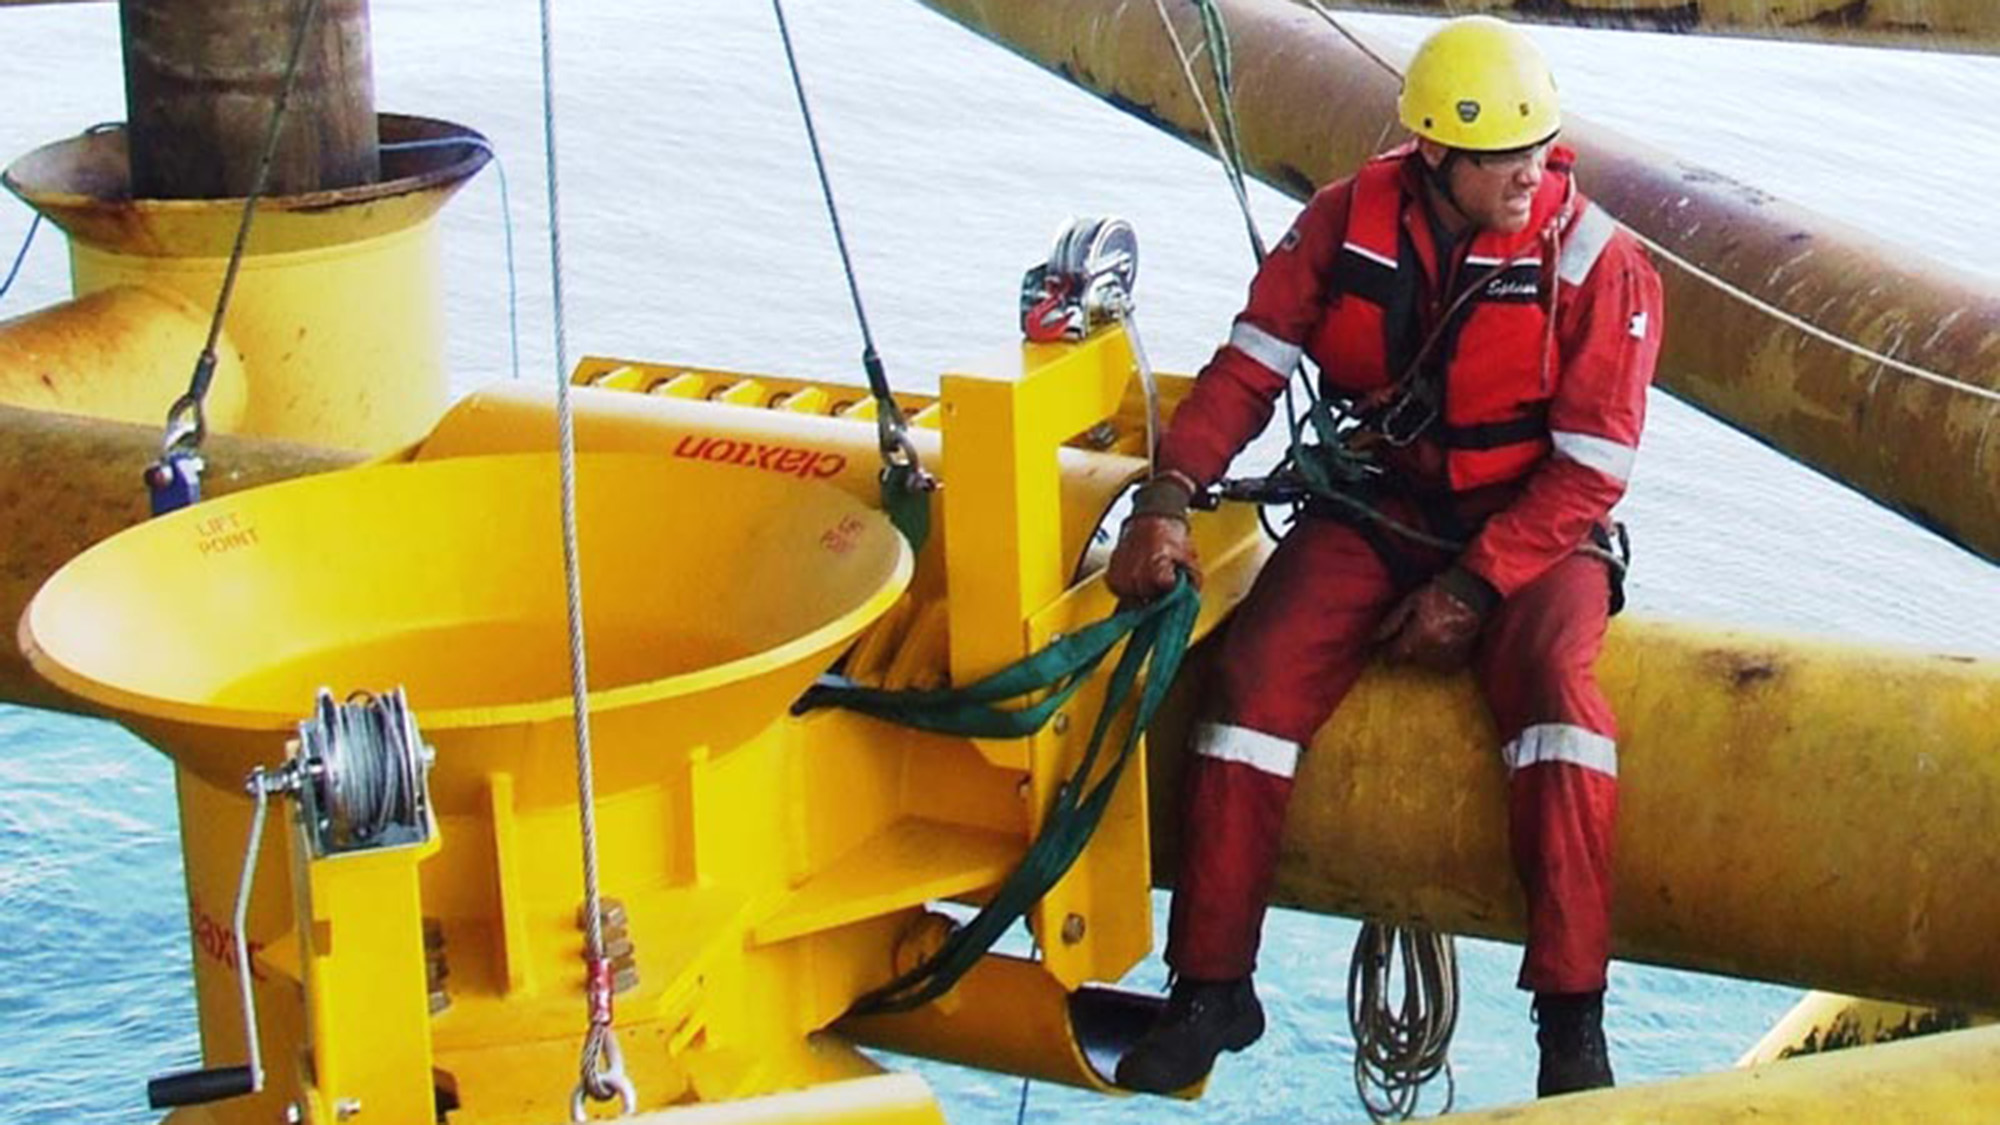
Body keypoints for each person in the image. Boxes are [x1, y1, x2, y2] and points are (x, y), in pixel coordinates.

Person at [1106, 15, 1663, 1100]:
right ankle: (1210, 986)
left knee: (1557, 701)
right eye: (1497, 159)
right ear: (1432, 158)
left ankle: (1569, 1022)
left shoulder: (1599, 263)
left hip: (1534, 525)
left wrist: (1472, 586)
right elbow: (1247, 367)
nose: (1525, 177)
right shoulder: (1343, 222)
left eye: (1534, 151)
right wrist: (1166, 495)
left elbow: (1589, 471)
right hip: (1383, 502)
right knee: (1250, 684)